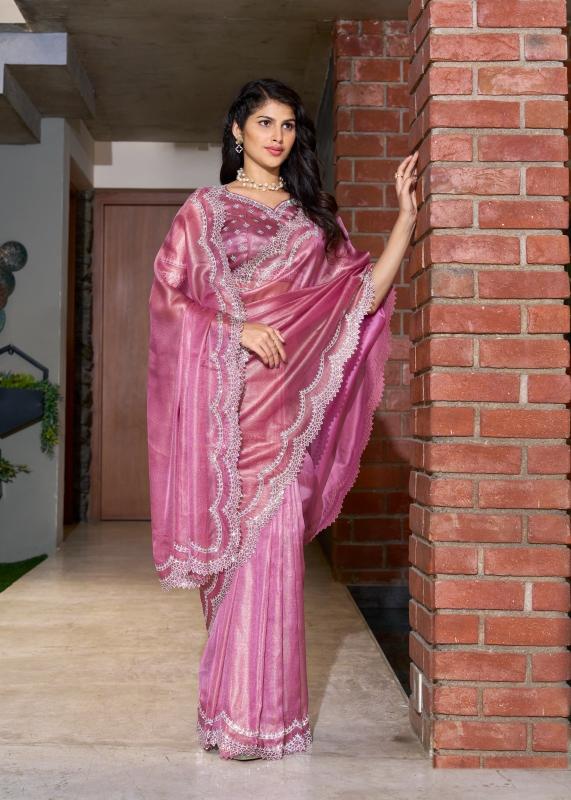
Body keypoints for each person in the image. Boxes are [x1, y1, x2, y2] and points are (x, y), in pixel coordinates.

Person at [146, 78, 417, 762]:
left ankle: (260, 721)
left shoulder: (312, 221)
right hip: (227, 411)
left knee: (274, 553)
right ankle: (229, 714)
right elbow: (169, 298)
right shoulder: (206, 210)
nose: (277, 135)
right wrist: (232, 327)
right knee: (231, 563)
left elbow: (360, 297)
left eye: (288, 124)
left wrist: (406, 220)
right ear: (236, 130)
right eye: (264, 122)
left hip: (286, 416)